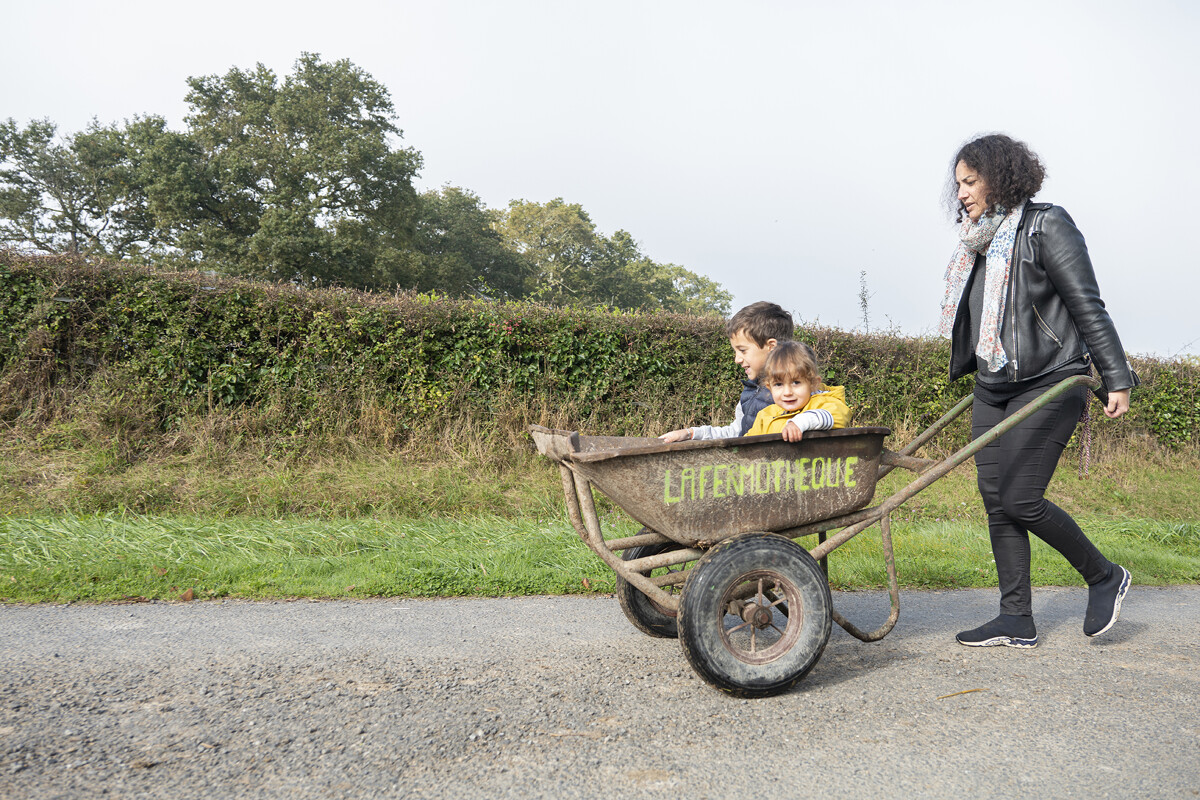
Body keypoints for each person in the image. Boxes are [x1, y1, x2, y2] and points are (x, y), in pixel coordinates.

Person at [939, 133, 1134, 648]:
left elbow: (1088, 304)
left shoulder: (1048, 225)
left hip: (1051, 378)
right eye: (958, 184)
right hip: (993, 385)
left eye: (970, 181)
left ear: (1000, 177)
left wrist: (1116, 376)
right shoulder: (979, 240)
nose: (961, 193)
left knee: (1020, 498)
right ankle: (1015, 618)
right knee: (996, 500)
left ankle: (1104, 576)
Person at [659, 301, 800, 442]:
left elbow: (814, 415)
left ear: (771, 347)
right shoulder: (751, 390)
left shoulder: (795, 391)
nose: (737, 359)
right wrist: (691, 433)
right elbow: (736, 432)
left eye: (743, 350)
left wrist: (798, 423)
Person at [744, 341, 851, 440]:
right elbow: (749, 444)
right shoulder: (765, 415)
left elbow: (837, 416)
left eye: (796, 383)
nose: (787, 392)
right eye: (778, 384)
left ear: (813, 383)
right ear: (770, 388)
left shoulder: (824, 403)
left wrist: (800, 423)